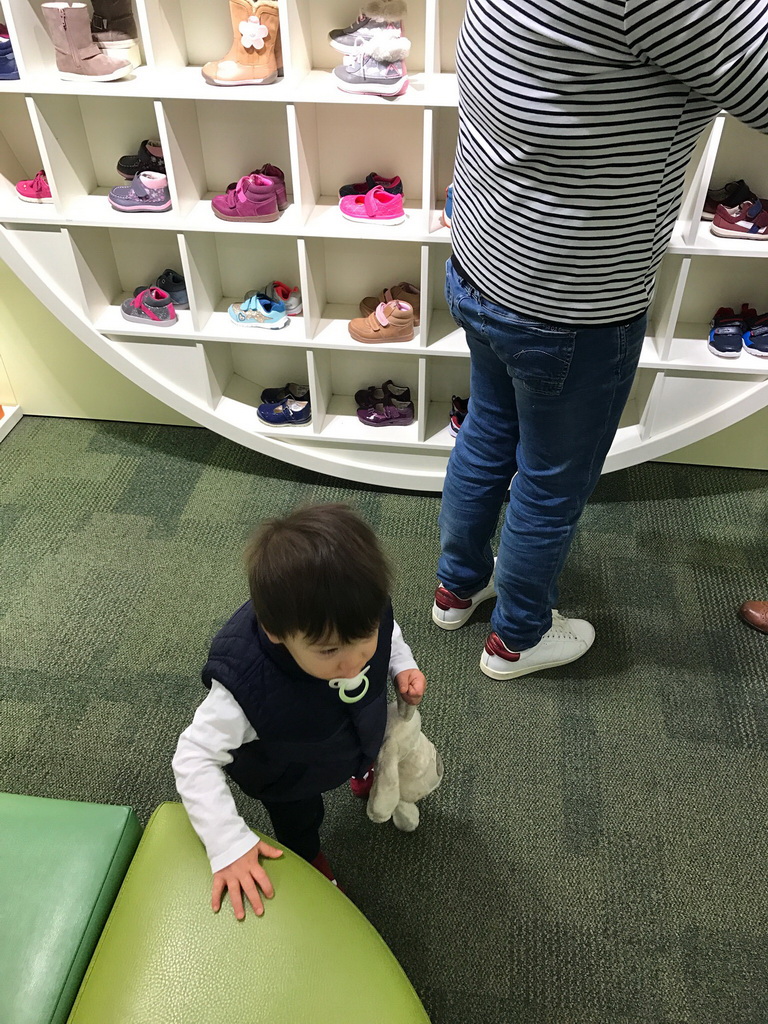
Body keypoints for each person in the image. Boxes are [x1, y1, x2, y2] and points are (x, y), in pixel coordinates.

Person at [433, 0, 768, 680]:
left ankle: (456, 588)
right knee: (552, 483)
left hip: (483, 255)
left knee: (490, 427)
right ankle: (518, 639)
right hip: (572, 297)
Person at [174, 503, 426, 919]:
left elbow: (389, 630)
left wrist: (401, 663)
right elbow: (193, 757)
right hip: (289, 771)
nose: (354, 663)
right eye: (328, 651)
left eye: (364, 637)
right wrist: (227, 843)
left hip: (352, 727)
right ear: (276, 635)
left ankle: (361, 771)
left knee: (369, 739)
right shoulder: (244, 687)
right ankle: (309, 857)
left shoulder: (361, 610)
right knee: (299, 819)